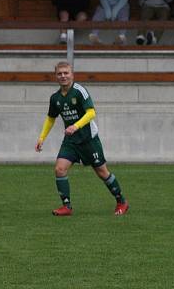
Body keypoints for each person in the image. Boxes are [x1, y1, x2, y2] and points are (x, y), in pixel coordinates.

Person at [35, 61, 129, 217]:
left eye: (66, 73)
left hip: (88, 139)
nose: (63, 76)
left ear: (72, 74)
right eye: (60, 73)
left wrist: (76, 126)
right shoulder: (55, 98)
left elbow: (91, 113)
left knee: (102, 172)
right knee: (59, 169)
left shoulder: (79, 91)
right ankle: (66, 207)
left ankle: (121, 201)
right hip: (71, 141)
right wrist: (41, 138)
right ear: (55, 76)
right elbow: (51, 118)